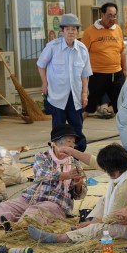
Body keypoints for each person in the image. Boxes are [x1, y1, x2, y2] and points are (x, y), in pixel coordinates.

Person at [28, 143, 127, 243]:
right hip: (123, 217)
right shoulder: (123, 168)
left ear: (115, 171)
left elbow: (112, 217)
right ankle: (90, 223)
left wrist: (93, 225)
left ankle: (60, 238)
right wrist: (71, 151)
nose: (105, 172)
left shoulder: (126, 187)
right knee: (103, 200)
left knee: (98, 229)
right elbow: (92, 161)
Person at [0, 125, 86, 231]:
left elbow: (80, 195)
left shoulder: (75, 164)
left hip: (55, 203)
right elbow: (42, 175)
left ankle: (15, 228)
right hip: (31, 197)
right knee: (7, 207)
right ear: (55, 143)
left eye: (73, 142)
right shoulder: (42, 157)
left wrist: (78, 185)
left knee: (37, 212)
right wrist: (66, 175)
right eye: (68, 141)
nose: (72, 145)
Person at [38, 12, 91, 152]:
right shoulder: (52, 47)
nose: (71, 32)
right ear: (62, 31)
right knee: (58, 129)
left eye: (74, 29)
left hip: (75, 96)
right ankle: (57, 155)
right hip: (57, 96)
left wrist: (84, 93)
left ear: (77, 31)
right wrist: (44, 83)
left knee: (77, 127)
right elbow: (41, 65)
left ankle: (77, 155)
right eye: (67, 29)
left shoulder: (82, 49)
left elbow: (85, 74)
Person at [81, 2, 127, 119]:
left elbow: (122, 51)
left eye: (114, 16)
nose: (112, 19)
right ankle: (75, 134)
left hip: (116, 74)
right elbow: (82, 55)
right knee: (88, 107)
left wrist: (124, 70)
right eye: (109, 15)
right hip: (97, 75)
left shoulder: (118, 30)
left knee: (122, 107)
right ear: (102, 15)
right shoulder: (89, 32)